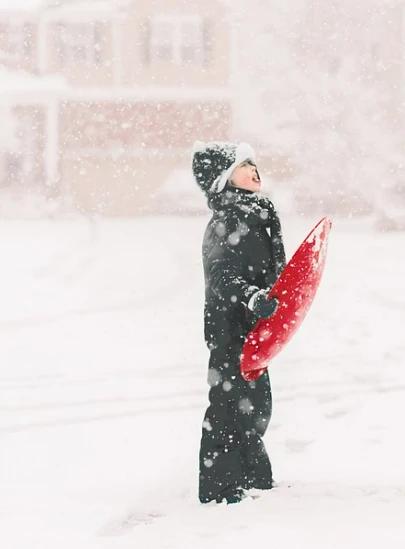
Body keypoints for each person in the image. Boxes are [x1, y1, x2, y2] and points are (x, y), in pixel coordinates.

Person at [192, 141, 286, 504]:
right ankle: (220, 487)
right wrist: (250, 297)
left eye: (254, 162)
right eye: (243, 164)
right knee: (229, 405)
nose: (254, 168)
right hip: (230, 325)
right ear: (222, 179)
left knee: (256, 403)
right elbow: (221, 274)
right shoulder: (229, 219)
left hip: (253, 326)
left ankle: (253, 477)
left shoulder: (254, 213)